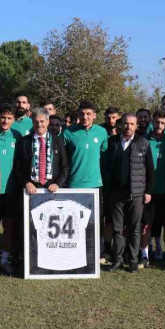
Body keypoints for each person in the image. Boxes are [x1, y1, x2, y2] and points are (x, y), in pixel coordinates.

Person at [101, 113, 153, 272]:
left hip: (136, 194)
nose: (128, 127)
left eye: (131, 124)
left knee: (134, 228)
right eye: (125, 123)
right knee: (117, 229)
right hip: (116, 194)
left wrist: (148, 191)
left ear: (136, 126)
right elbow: (106, 166)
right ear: (120, 125)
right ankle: (117, 259)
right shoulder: (112, 142)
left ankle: (132, 261)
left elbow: (150, 169)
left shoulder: (143, 143)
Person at [62, 101, 109, 259]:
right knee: (75, 221)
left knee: (96, 220)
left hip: (96, 185)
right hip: (74, 184)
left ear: (94, 115)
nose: (85, 117)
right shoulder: (68, 132)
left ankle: (98, 252)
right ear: (78, 115)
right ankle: (76, 251)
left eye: (89, 114)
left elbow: (104, 154)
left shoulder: (102, 132)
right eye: (82, 114)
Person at [0, 104, 23, 274]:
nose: (5, 120)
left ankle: (4, 260)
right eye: (3, 117)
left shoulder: (17, 136)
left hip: (11, 191)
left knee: (9, 227)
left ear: (13, 120)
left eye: (9, 118)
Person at [142, 110, 165, 267]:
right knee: (146, 225)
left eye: (163, 123)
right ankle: (144, 256)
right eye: (156, 122)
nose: (159, 125)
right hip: (149, 192)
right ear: (152, 122)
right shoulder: (143, 141)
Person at [18, 108, 70, 196]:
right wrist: (26, 183)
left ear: (47, 121)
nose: (39, 125)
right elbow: (18, 167)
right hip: (31, 190)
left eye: (42, 121)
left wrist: (57, 184)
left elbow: (65, 166)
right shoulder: (24, 141)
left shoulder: (58, 140)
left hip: (52, 189)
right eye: (36, 122)